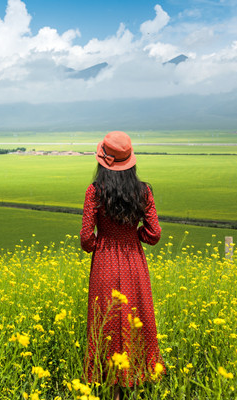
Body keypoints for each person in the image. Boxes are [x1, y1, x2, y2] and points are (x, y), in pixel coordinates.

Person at [80, 131, 166, 397]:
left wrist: (101, 244)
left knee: (106, 321)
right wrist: (133, 237)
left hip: (104, 263)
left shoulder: (95, 191)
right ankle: (137, 379)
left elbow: (85, 238)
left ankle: (110, 385)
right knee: (136, 318)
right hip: (134, 262)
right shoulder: (144, 190)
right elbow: (154, 234)